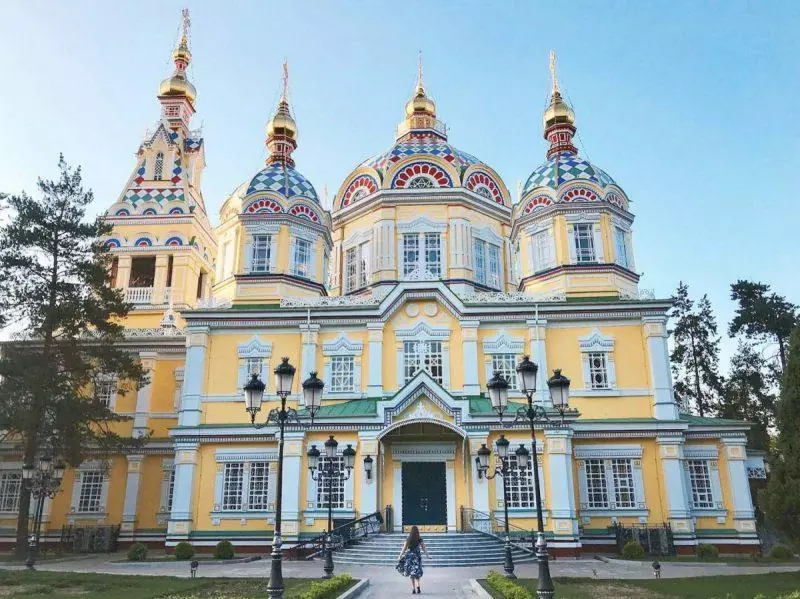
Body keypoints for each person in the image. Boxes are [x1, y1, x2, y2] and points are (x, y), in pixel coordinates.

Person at [396, 525, 430, 594]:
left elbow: (404, 548)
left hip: (410, 557)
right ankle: (418, 586)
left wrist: (400, 556)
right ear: (417, 531)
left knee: (412, 574)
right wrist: (427, 556)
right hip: (417, 557)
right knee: (417, 572)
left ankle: (413, 588)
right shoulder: (419, 538)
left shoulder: (408, 538)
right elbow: (423, 548)